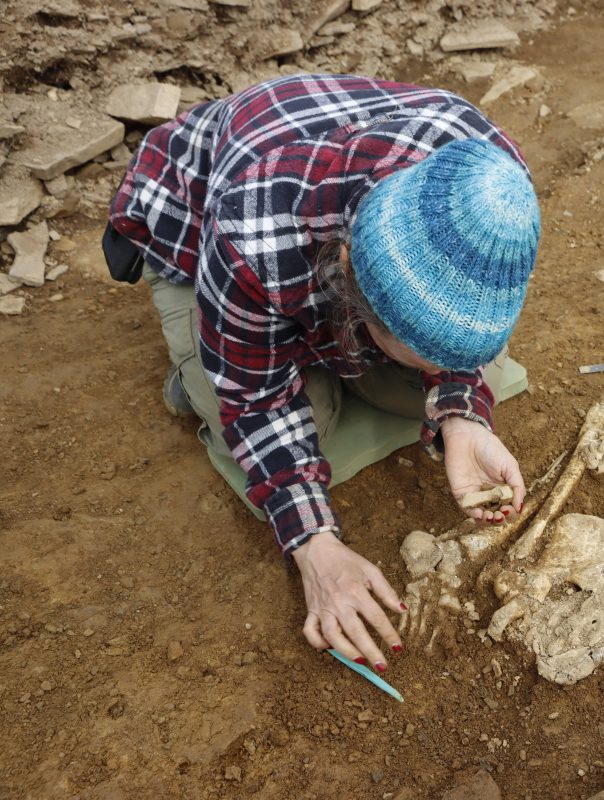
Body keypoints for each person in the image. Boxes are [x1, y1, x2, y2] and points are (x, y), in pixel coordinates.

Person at [104, 73, 540, 674]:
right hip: (193, 219)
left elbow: (461, 346)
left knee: (420, 398)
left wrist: (460, 411)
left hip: (322, 211)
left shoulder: (492, 188)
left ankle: (324, 355)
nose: (449, 368)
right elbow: (257, 404)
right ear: (345, 273)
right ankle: (200, 362)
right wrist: (315, 546)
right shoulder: (251, 228)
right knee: (293, 418)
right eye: (419, 348)